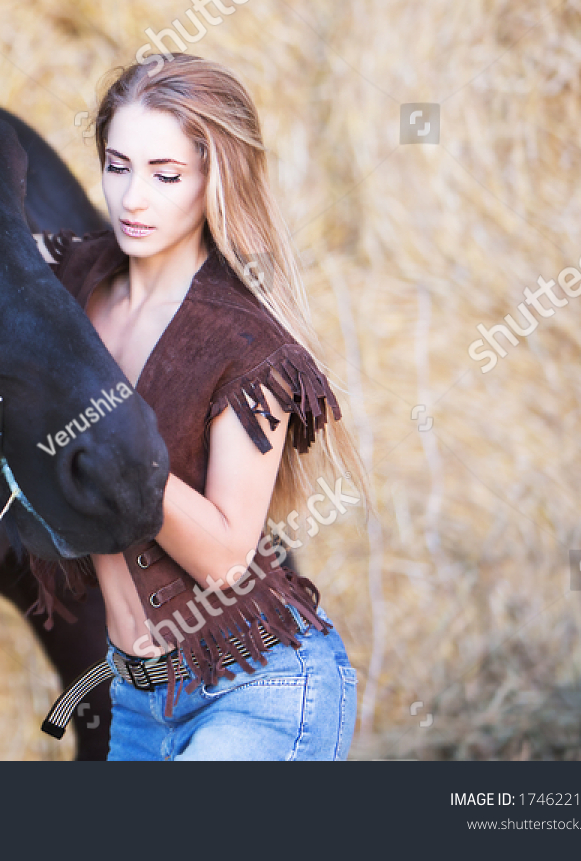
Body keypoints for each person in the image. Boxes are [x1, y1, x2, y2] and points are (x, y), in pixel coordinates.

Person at [32, 53, 370, 760]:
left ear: (215, 182)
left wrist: (109, 435)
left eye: (165, 175)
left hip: (258, 690)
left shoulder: (249, 346)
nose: (132, 198)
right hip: (132, 700)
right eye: (118, 165)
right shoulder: (73, 278)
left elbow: (222, 557)